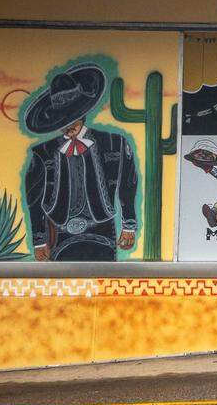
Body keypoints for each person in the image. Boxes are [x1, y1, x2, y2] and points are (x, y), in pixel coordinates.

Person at [22, 64, 138, 261]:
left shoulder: (115, 143)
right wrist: (39, 240)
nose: (67, 126)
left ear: (82, 112)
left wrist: (129, 225)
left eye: (72, 118)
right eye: (61, 121)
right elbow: (34, 199)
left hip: (103, 228)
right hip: (60, 232)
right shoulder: (43, 153)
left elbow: (128, 184)